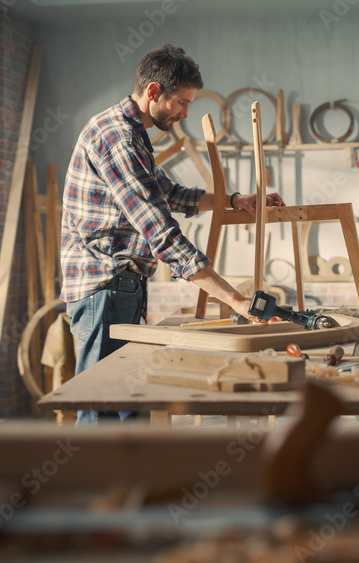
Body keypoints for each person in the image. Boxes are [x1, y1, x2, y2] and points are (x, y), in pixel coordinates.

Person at [59, 44, 284, 425]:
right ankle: (91, 485)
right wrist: (237, 300)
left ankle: (129, 486)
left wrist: (234, 200)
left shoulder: (130, 131)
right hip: (105, 288)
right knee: (102, 410)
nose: (184, 113)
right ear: (152, 92)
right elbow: (162, 234)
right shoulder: (118, 138)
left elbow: (173, 194)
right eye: (181, 102)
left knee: (128, 406)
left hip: (120, 287)